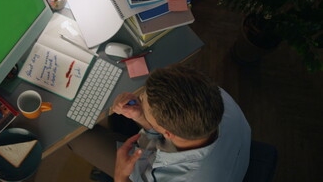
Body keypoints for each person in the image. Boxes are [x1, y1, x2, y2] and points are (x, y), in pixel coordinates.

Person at [69, 64, 251, 182]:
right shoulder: (217, 97)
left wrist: (120, 175)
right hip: (224, 155)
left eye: (143, 102)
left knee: (77, 138)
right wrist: (141, 116)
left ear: (168, 132)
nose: (139, 99)